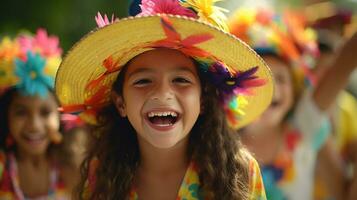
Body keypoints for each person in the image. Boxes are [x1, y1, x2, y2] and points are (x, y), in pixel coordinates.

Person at [55, 0, 275, 199]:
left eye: (181, 80)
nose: (162, 93)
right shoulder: (100, 176)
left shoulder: (239, 173)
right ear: (120, 102)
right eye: (142, 81)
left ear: (203, 101)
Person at [229, 7, 357, 200]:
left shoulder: (302, 126)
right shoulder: (218, 140)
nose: (271, 89)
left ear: (295, 91)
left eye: (280, 79)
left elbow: (344, 63)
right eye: (257, 78)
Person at [0, 29, 70, 198]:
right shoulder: (2, 168)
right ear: (5, 116)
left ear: (61, 114)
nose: (34, 125)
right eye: (21, 112)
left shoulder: (72, 166)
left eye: (45, 112)